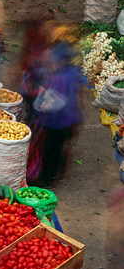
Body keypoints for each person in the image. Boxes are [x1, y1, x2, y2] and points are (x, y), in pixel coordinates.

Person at [22, 22, 84, 186]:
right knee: (55, 147)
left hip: (56, 122)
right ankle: (52, 171)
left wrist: (37, 100)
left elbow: (52, 103)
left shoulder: (62, 77)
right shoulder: (71, 70)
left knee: (50, 150)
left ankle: (46, 178)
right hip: (69, 120)